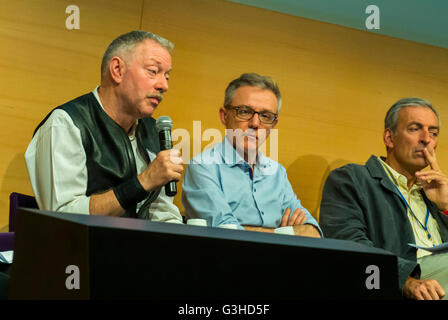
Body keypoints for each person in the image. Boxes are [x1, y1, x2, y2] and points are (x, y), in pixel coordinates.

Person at [25, 31, 184, 222]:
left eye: (167, 76)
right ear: (117, 70)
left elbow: (161, 211)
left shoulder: (153, 129)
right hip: (82, 249)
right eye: (153, 71)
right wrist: (143, 182)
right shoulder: (67, 124)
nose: (163, 85)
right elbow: (63, 215)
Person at [320, 97, 448, 300]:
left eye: (433, 133)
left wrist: (447, 205)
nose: (426, 139)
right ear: (389, 138)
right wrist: (404, 280)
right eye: (415, 129)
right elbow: (348, 246)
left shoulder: (438, 190)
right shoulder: (352, 179)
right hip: (397, 285)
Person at [182, 73, 321, 237]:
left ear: (273, 124)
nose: (255, 124)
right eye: (244, 111)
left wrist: (247, 229)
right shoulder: (203, 167)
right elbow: (226, 235)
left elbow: (313, 233)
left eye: (266, 116)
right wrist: (285, 233)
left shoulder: (277, 173)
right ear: (224, 115)